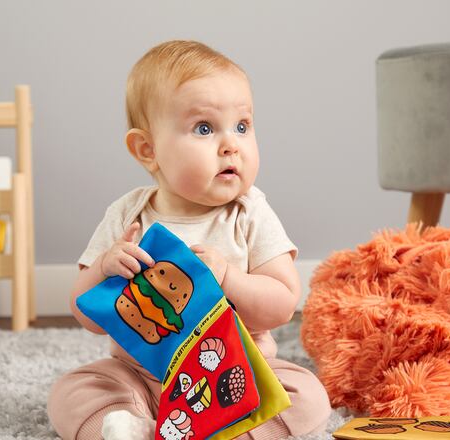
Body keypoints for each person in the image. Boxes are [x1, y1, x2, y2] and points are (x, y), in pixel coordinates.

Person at [48, 40, 330, 440]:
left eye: (242, 126)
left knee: (307, 395)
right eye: (204, 128)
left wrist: (229, 278)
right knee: (73, 391)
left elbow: (282, 305)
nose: (231, 144)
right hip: (141, 378)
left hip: (233, 377)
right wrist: (104, 268)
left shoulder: (250, 213)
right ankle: (135, 427)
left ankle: (209, 432)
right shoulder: (128, 215)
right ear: (148, 150)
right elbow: (86, 314)